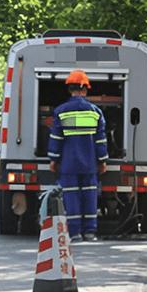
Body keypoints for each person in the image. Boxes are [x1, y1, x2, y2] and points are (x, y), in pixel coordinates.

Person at [47, 70, 108, 242]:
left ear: (69, 89)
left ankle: (74, 233)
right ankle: (90, 232)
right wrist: (102, 161)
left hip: (68, 165)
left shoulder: (61, 112)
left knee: (71, 197)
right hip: (89, 164)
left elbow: (56, 139)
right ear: (85, 89)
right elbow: (100, 140)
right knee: (90, 196)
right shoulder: (95, 112)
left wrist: (53, 159)